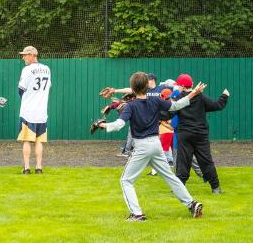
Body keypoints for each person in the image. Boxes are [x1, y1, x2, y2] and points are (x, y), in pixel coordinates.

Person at [95, 72, 205, 221]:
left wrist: (103, 125)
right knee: (169, 176)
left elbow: (118, 125)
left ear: (133, 88)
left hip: (142, 146)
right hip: (156, 144)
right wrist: (194, 93)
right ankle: (192, 204)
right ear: (147, 86)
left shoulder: (131, 106)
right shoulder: (155, 100)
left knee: (126, 181)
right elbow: (176, 105)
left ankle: (137, 214)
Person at [172, 73, 229, 194]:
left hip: (184, 134)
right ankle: (216, 188)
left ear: (181, 86)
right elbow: (216, 105)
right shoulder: (200, 97)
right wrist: (224, 96)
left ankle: (178, 189)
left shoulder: (179, 99)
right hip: (200, 134)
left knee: (183, 161)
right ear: (192, 84)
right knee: (206, 161)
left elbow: (168, 112)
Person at [17, 46, 51, 174]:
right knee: (39, 141)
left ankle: (26, 168)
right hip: (42, 112)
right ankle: (39, 168)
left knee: (26, 140)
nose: (23, 57)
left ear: (32, 55)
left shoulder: (27, 70)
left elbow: (20, 90)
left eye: (25, 55)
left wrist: (26, 99)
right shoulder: (47, 69)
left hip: (28, 111)